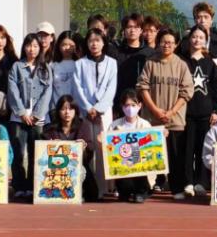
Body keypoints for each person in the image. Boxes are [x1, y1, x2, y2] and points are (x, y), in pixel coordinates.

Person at [137, 29, 194, 199]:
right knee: (150, 155)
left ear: (176, 45)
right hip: (152, 118)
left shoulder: (181, 65)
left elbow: (187, 92)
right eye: (163, 41)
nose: (166, 45)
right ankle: (147, 188)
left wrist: (171, 112)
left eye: (170, 42)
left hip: (175, 119)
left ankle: (177, 189)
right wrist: (155, 110)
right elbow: (142, 87)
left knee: (175, 157)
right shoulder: (150, 63)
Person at [7, 33, 52, 199]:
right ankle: (19, 185)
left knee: (36, 153)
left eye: (35, 46)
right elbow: (12, 90)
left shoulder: (45, 68)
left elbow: (47, 92)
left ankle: (33, 186)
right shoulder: (17, 66)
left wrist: (37, 114)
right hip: (18, 118)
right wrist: (21, 112)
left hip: (37, 119)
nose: (31, 49)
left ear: (40, 48)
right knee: (18, 153)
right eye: (28, 45)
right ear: (24, 47)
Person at [73, 27, 118, 194]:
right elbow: (77, 88)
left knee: (104, 147)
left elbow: (111, 88)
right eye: (91, 41)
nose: (94, 44)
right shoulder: (80, 64)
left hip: (104, 111)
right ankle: (89, 188)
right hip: (85, 111)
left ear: (103, 43)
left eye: (98, 40)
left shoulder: (112, 63)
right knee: (87, 147)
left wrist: (99, 108)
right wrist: (87, 108)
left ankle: (106, 187)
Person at [180, 25, 217, 197]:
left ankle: (201, 182)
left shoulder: (210, 63)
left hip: (206, 114)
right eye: (194, 36)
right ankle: (188, 181)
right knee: (187, 149)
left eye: (201, 37)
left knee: (203, 149)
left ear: (206, 41)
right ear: (189, 39)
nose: (197, 40)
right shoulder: (182, 61)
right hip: (186, 113)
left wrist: (216, 110)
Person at [42, 94, 98, 202]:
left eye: (70, 109)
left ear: (75, 111)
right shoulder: (50, 129)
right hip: (56, 169)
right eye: (63, 109)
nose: (67, 112)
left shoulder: (83, 126)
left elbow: (90, 149)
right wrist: (49, 145)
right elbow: (42, 152)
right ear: (58, 111)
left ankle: (77, 192)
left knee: (82, 174)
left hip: (78, 166)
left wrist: (84, 147)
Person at [108, 90, 153, 203]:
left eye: (133, 105)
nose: (130, 108)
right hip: (123, 166)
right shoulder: (114, 125)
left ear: (139, 106)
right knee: (124, 185)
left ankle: (141, 192)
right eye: (127, 105)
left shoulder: (145, 124)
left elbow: (152, 145)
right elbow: (109, 149)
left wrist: (161, 136)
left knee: (140, 171)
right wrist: (102, 141)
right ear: (122, 107)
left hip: (140, 165)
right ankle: (125, 192)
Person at [115, 14, 152, 104]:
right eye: (129, 27)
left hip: (143, 102)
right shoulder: (116, 52)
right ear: (124, 30)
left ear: (141, 30)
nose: (132, 30)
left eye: (136, 27)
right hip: (121, 101)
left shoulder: (150, 53)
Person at [50, 30, 82, 109]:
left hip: (75, 108)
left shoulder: (80, 64)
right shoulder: (52, 65)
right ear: (59, 46)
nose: (67, 48)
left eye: (71, 45)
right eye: (64, 45)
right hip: (57, 108)